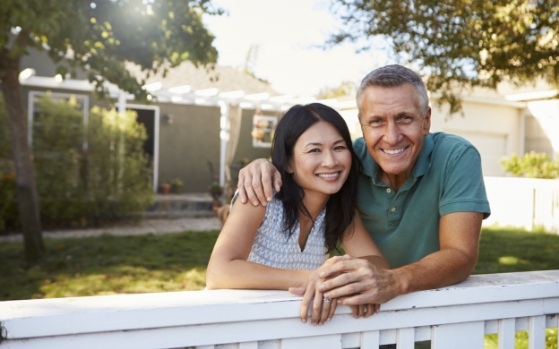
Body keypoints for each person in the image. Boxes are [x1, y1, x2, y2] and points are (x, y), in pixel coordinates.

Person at [235, 64, 491, 310]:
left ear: (426, 120)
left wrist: (392, 281)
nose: (391, 136)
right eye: (377, 121)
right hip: (360, 316)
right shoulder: (348, 161)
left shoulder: (456, 156)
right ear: (362, 124)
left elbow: (460, 253)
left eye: (404, 118)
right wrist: (265, 166)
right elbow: (306, 165)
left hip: (432, 313)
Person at [206, 103, 389, 325]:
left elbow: (378, 264)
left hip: (292, 330)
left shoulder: (339, 210)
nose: (331, 161)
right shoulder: (262, 196)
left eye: (339, 147)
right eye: (314, 150)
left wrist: (342, 275)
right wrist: (316, 278)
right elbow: (219, 272)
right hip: (237, 326)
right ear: (289, 163)